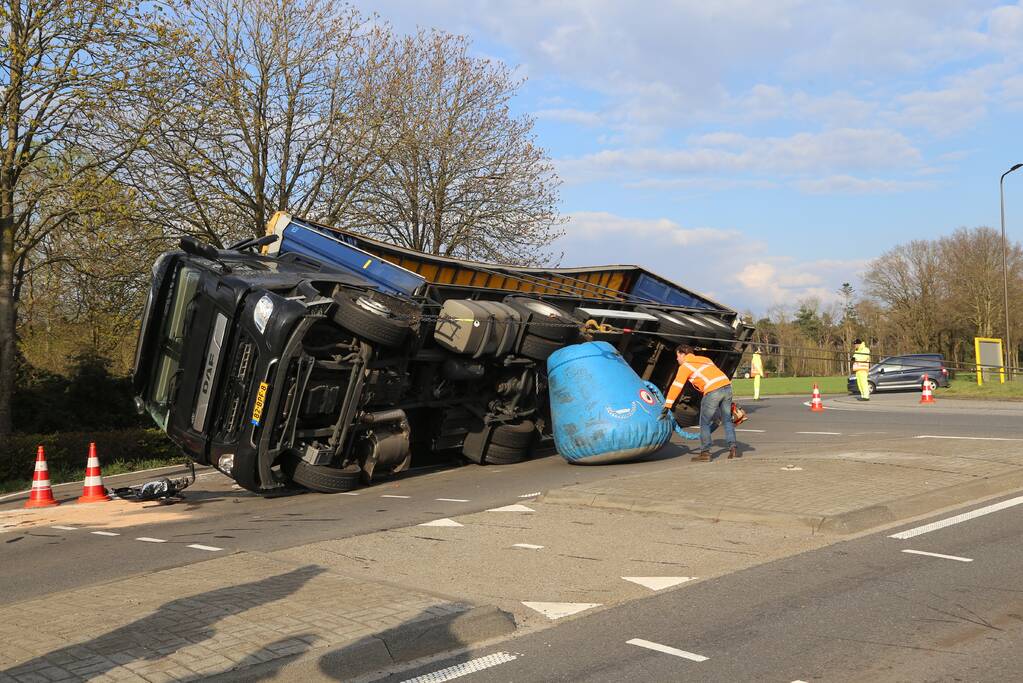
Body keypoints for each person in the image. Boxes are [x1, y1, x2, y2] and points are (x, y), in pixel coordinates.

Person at [660, 344, 738, 461]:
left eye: (677, 356)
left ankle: (705, 453)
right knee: (727, 419)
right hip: (727, 387)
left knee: (704, 422)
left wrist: (667, 405)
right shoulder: (705, 359)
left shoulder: (685, 366)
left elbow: (677, 386)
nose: (677, 359)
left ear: (683, 354)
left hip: (713, 390)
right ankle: (732, 447)